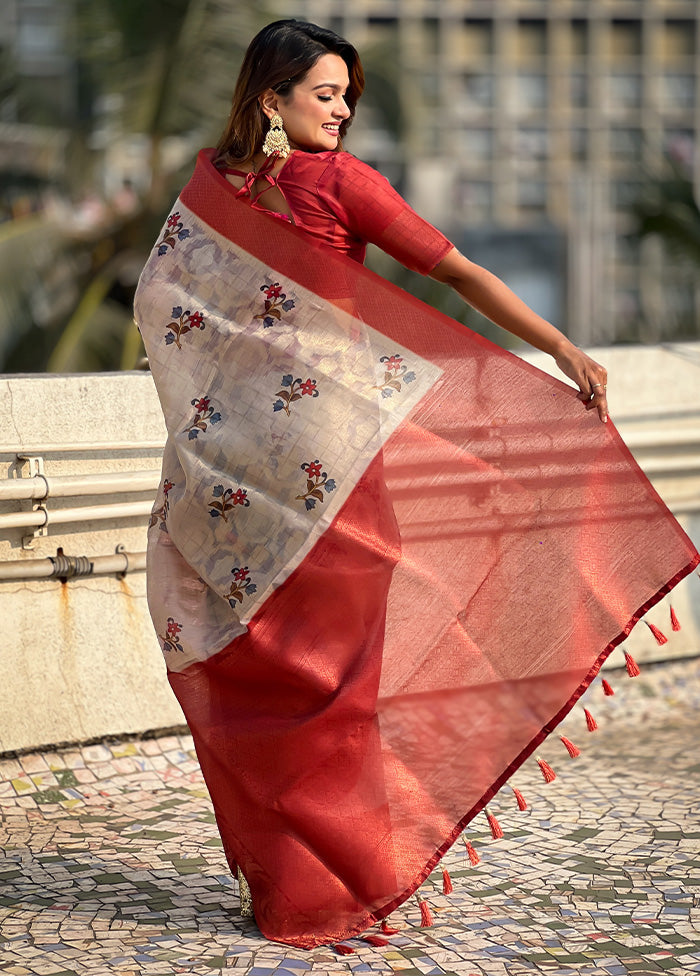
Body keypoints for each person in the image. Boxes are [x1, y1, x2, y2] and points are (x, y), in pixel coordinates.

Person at [134, 19, 699, 951]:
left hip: (233, 465)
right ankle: (323, 889)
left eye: (347, 93)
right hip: (331, 459)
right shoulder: (343, 183)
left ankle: (283, 876)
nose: (345, 109)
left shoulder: (212, 188)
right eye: (326, 94)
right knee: (337, 674)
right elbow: (459, 271)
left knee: (265, 661)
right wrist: (557, 347)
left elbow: (162, 305)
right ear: (269, 101)